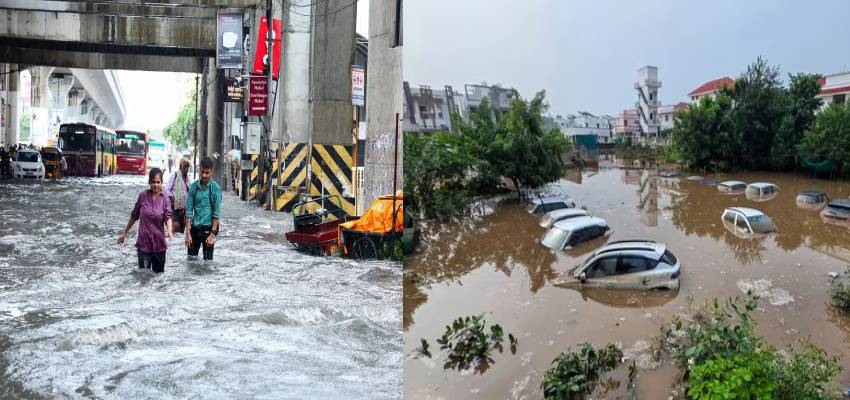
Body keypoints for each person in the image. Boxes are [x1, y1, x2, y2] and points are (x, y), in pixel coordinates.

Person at [118, 168, 174, 273]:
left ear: (162, 182)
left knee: (158, 279)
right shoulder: (142, 196)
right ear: (149, 182)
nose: (156, 185)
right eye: (153, 182)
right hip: (144, 245)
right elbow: (134, 215)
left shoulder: (165, 198)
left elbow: (168, 216)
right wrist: (124, 233)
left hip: (159, 246)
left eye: (158, 182)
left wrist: (170, 230)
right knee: (143, 277)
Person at [185, 157, 222, 261]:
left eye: (207, 172)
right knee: (191, 262)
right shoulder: (193, 187)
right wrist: (187, 233)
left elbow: (216, 213)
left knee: (208, 264)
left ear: (211, 172)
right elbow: (189, 212)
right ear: (199, 170)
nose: (204, 175)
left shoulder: (216, 189)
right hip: (194, 229)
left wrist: (212, 235)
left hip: (208, 229)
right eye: (202, 172)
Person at [167, 158, 191, 234]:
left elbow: (189, 193)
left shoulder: (187, 178)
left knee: (182, 231)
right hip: (175, 207)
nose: (187, 169)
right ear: (180, 166)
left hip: (185, 209)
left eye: (188, 166)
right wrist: (172, 197)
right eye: (185, 166)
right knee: (176, 227)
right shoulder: (175, 175)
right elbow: (166, 190)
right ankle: (167, 238)